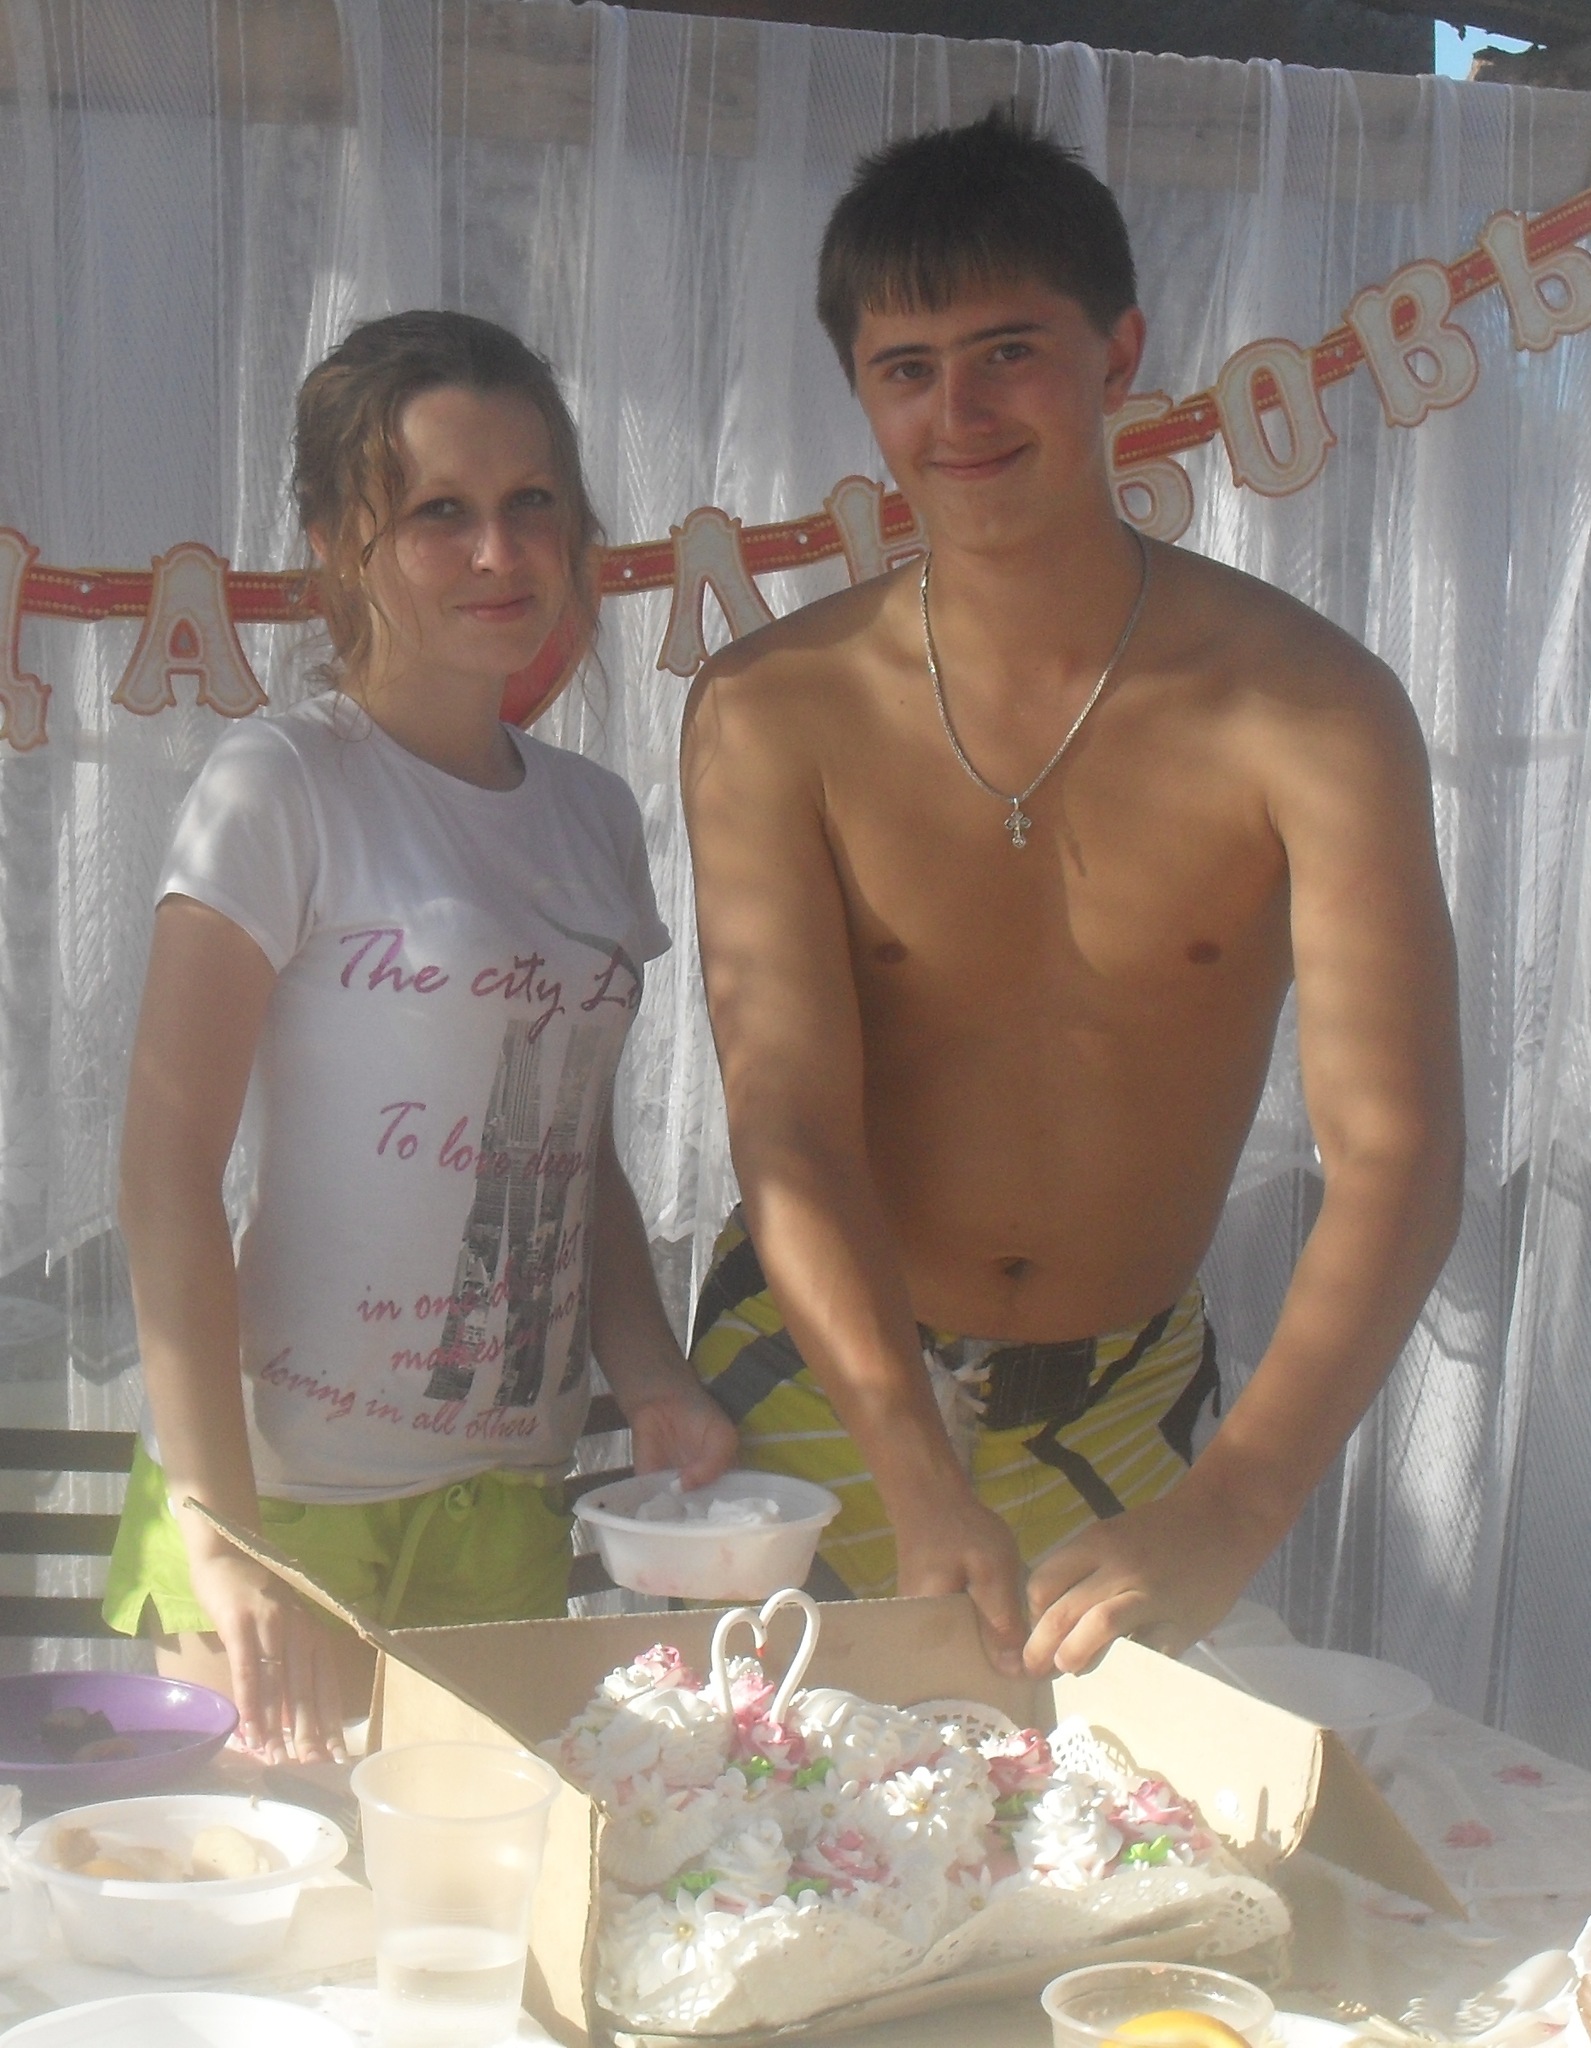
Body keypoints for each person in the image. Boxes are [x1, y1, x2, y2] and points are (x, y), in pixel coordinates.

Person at [682, 113, 1462, 1680]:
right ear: (863, 394)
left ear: (1119, 356)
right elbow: (791, 1126)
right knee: (763, 1814)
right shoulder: (771, 709)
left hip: (1128, 1401)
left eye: (1008, 352)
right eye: (909, 369)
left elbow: (1398, 1152)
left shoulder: (1313, 708)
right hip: (815, 1379)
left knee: (1106, 1827)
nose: (960, 412)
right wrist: (912, 1469)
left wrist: (1234, 1507)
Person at [104, 311, 737, 1762]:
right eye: (439, 511)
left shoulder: (593, 816)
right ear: (340, 542)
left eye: (532, 503)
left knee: (475, 1890)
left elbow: (573, 1158)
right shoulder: (279, 782)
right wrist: (217, 1531)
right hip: (276, 1498)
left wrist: (650, 1374)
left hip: (504, 1498)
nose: (499, 553)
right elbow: (164, 1172)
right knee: (262, 1892)